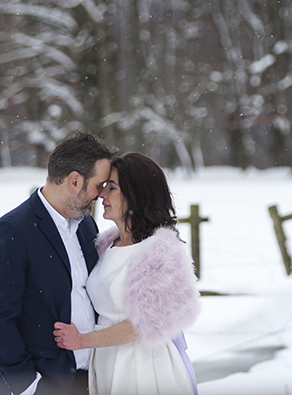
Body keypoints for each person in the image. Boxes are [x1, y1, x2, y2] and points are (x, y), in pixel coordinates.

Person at [54, 152, 200, 395]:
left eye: (112, 188)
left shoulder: (159, 252)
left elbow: (140, 326)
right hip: (107, 360)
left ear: (136, 194)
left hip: (143, 367)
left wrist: (82, 341)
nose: (101, 195)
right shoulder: (105, 246)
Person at [0, 132, 115, 395]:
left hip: (88, 380)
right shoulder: (13, 230)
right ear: (75, 180)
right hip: (41, 383)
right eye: (99, 185)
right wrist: (28, 386)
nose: (101, 195)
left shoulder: (87, 225)